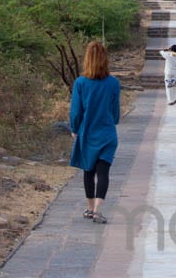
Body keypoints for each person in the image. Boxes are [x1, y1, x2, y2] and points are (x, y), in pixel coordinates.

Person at [70, 41, 121, 224]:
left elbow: (76, 112)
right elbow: (115, 115)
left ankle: (90, 208)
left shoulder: (80, 83)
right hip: (107, 134)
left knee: (88, 171)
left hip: (87, 134)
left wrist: (75, 129)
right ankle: (98, 210)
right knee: (104, 171)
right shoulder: (113, 83)